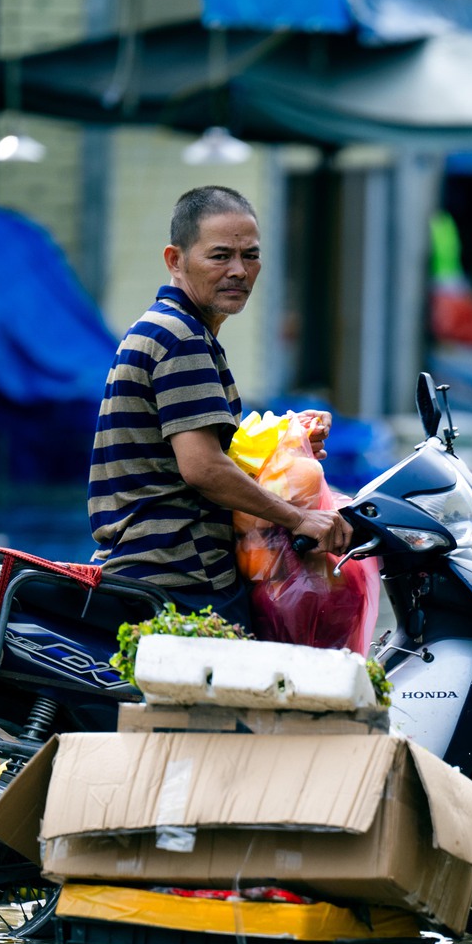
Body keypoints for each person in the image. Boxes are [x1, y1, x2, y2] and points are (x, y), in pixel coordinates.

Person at [87, 185, 348, 629]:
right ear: (175, 260)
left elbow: (192, 448)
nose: (239, 271)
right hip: (180, 575)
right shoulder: (181, 338)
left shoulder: (168, 329)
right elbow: (202, 468)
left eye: (251, 256)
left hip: (153, 567)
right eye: (220, 256)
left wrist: (287, 442)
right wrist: (299, 517)